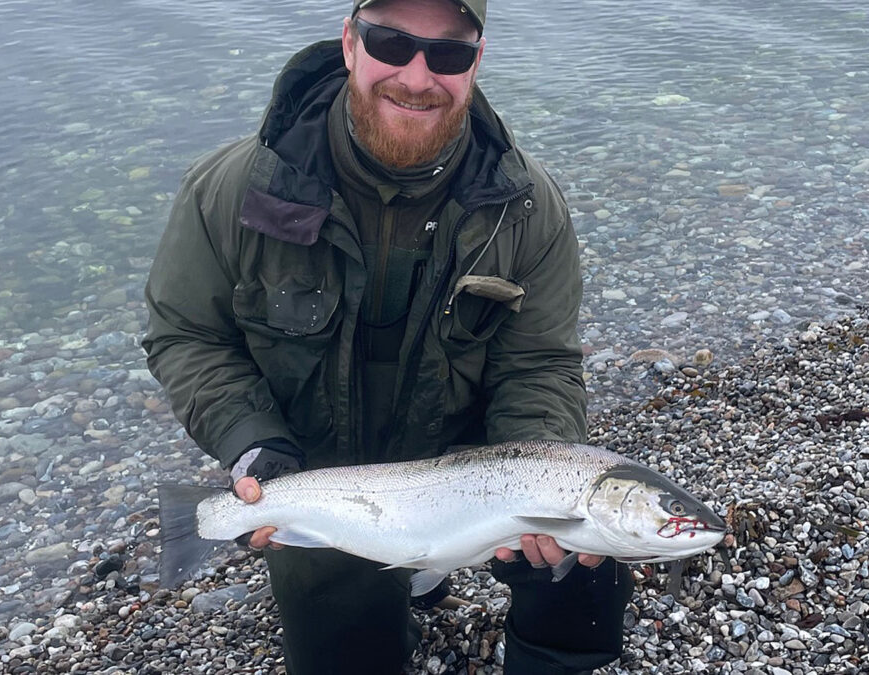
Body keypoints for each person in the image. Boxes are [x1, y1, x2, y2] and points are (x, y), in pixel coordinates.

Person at [143, 0, 633, 672]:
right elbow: (185, 332)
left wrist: (539, 476)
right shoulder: (232, 191)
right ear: (349, 43)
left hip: (468, 471)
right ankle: (392, 581)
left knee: (591, 563)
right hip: (321, 478)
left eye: (449, 53)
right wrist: (252, 444)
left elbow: (540, 364)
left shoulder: (525, 206)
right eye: (391, 43)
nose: (417, 74)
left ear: (476, 63)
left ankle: (506, 622)